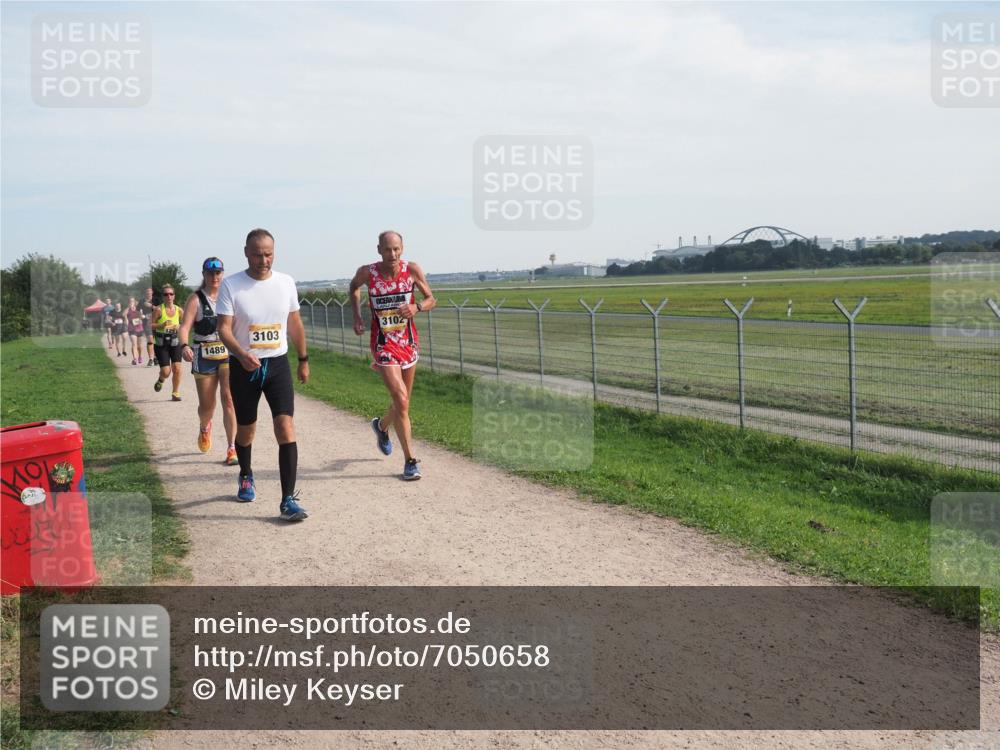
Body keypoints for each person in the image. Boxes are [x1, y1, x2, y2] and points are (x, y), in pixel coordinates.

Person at [217, 228, 310, 522]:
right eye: (257, 254)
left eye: (268, 254)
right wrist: (241, 354)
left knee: (285, 428)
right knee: (247, 430)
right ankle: (245, 474)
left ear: (274, 253)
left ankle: (288, 500)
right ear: (246, 252)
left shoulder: (286, 283)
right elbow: (223, 329)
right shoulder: (232, 285)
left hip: (278, 364)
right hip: (245, 367)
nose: (263, 260)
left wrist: (303, 359)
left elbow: (294, 324)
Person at [349, 230, 436, 481]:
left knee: (403, 401)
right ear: (379, 250)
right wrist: (356, 315)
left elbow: (431, 299)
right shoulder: (368, 272)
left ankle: (381, 426)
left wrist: (416, 306)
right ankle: (410, 461)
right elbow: (353, 288)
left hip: (408, 342)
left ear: (403, 248)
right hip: (383, 343)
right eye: (387, 249)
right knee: (400, 397)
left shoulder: (412, 270)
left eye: (396, 249)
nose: (392, 254)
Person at [178, 258, 239, 465]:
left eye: (218, 273)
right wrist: (184, 346)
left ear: (222, 274)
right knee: (207, 405)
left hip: (227, 354)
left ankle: (232, 448)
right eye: (211, 273)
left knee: (229, 399)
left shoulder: (229, 296)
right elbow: (185, 326)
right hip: (203, 355)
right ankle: (205, 426)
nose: (215, 277)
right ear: (204, 275)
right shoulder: (195, 299)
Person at [152, 284, 184, 401]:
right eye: (166, 294)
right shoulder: (158, 310)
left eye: (171, 294)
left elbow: (186, 325)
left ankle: (175, 392)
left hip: (175, 342)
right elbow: (150, 325)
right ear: (163, 296)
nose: (169, 296)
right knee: (166, 372)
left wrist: (179, 326)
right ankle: (161, 379)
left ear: (174, 296)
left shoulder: (179, 310)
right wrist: (161, 325)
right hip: (161, 344)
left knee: (177, 368)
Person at [125, 297, 145, 365]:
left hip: (139, 329)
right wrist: (128, 307)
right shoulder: (127, 311)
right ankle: (135, 359)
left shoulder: (139, 310)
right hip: (131, 329)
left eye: (132, 301)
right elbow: (123, 315)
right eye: (130, 301)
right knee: (134, 344)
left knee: (139, 346)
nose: (131, 302)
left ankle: (139, 357)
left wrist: (142, 316)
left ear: (135, 302)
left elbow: (142, 318)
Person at [142, 287, 157, 366]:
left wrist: (151, 306)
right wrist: (141, 316)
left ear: (152, 292)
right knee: (150, 340)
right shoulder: (142, 301)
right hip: (147, 323)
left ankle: (155, 357)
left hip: (157, 323)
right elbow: (137, 311)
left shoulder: (156, 300)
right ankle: (151, 358)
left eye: (149, 291)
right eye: (147, 291)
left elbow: (160, 309)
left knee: (157, 341)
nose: (148, 293)